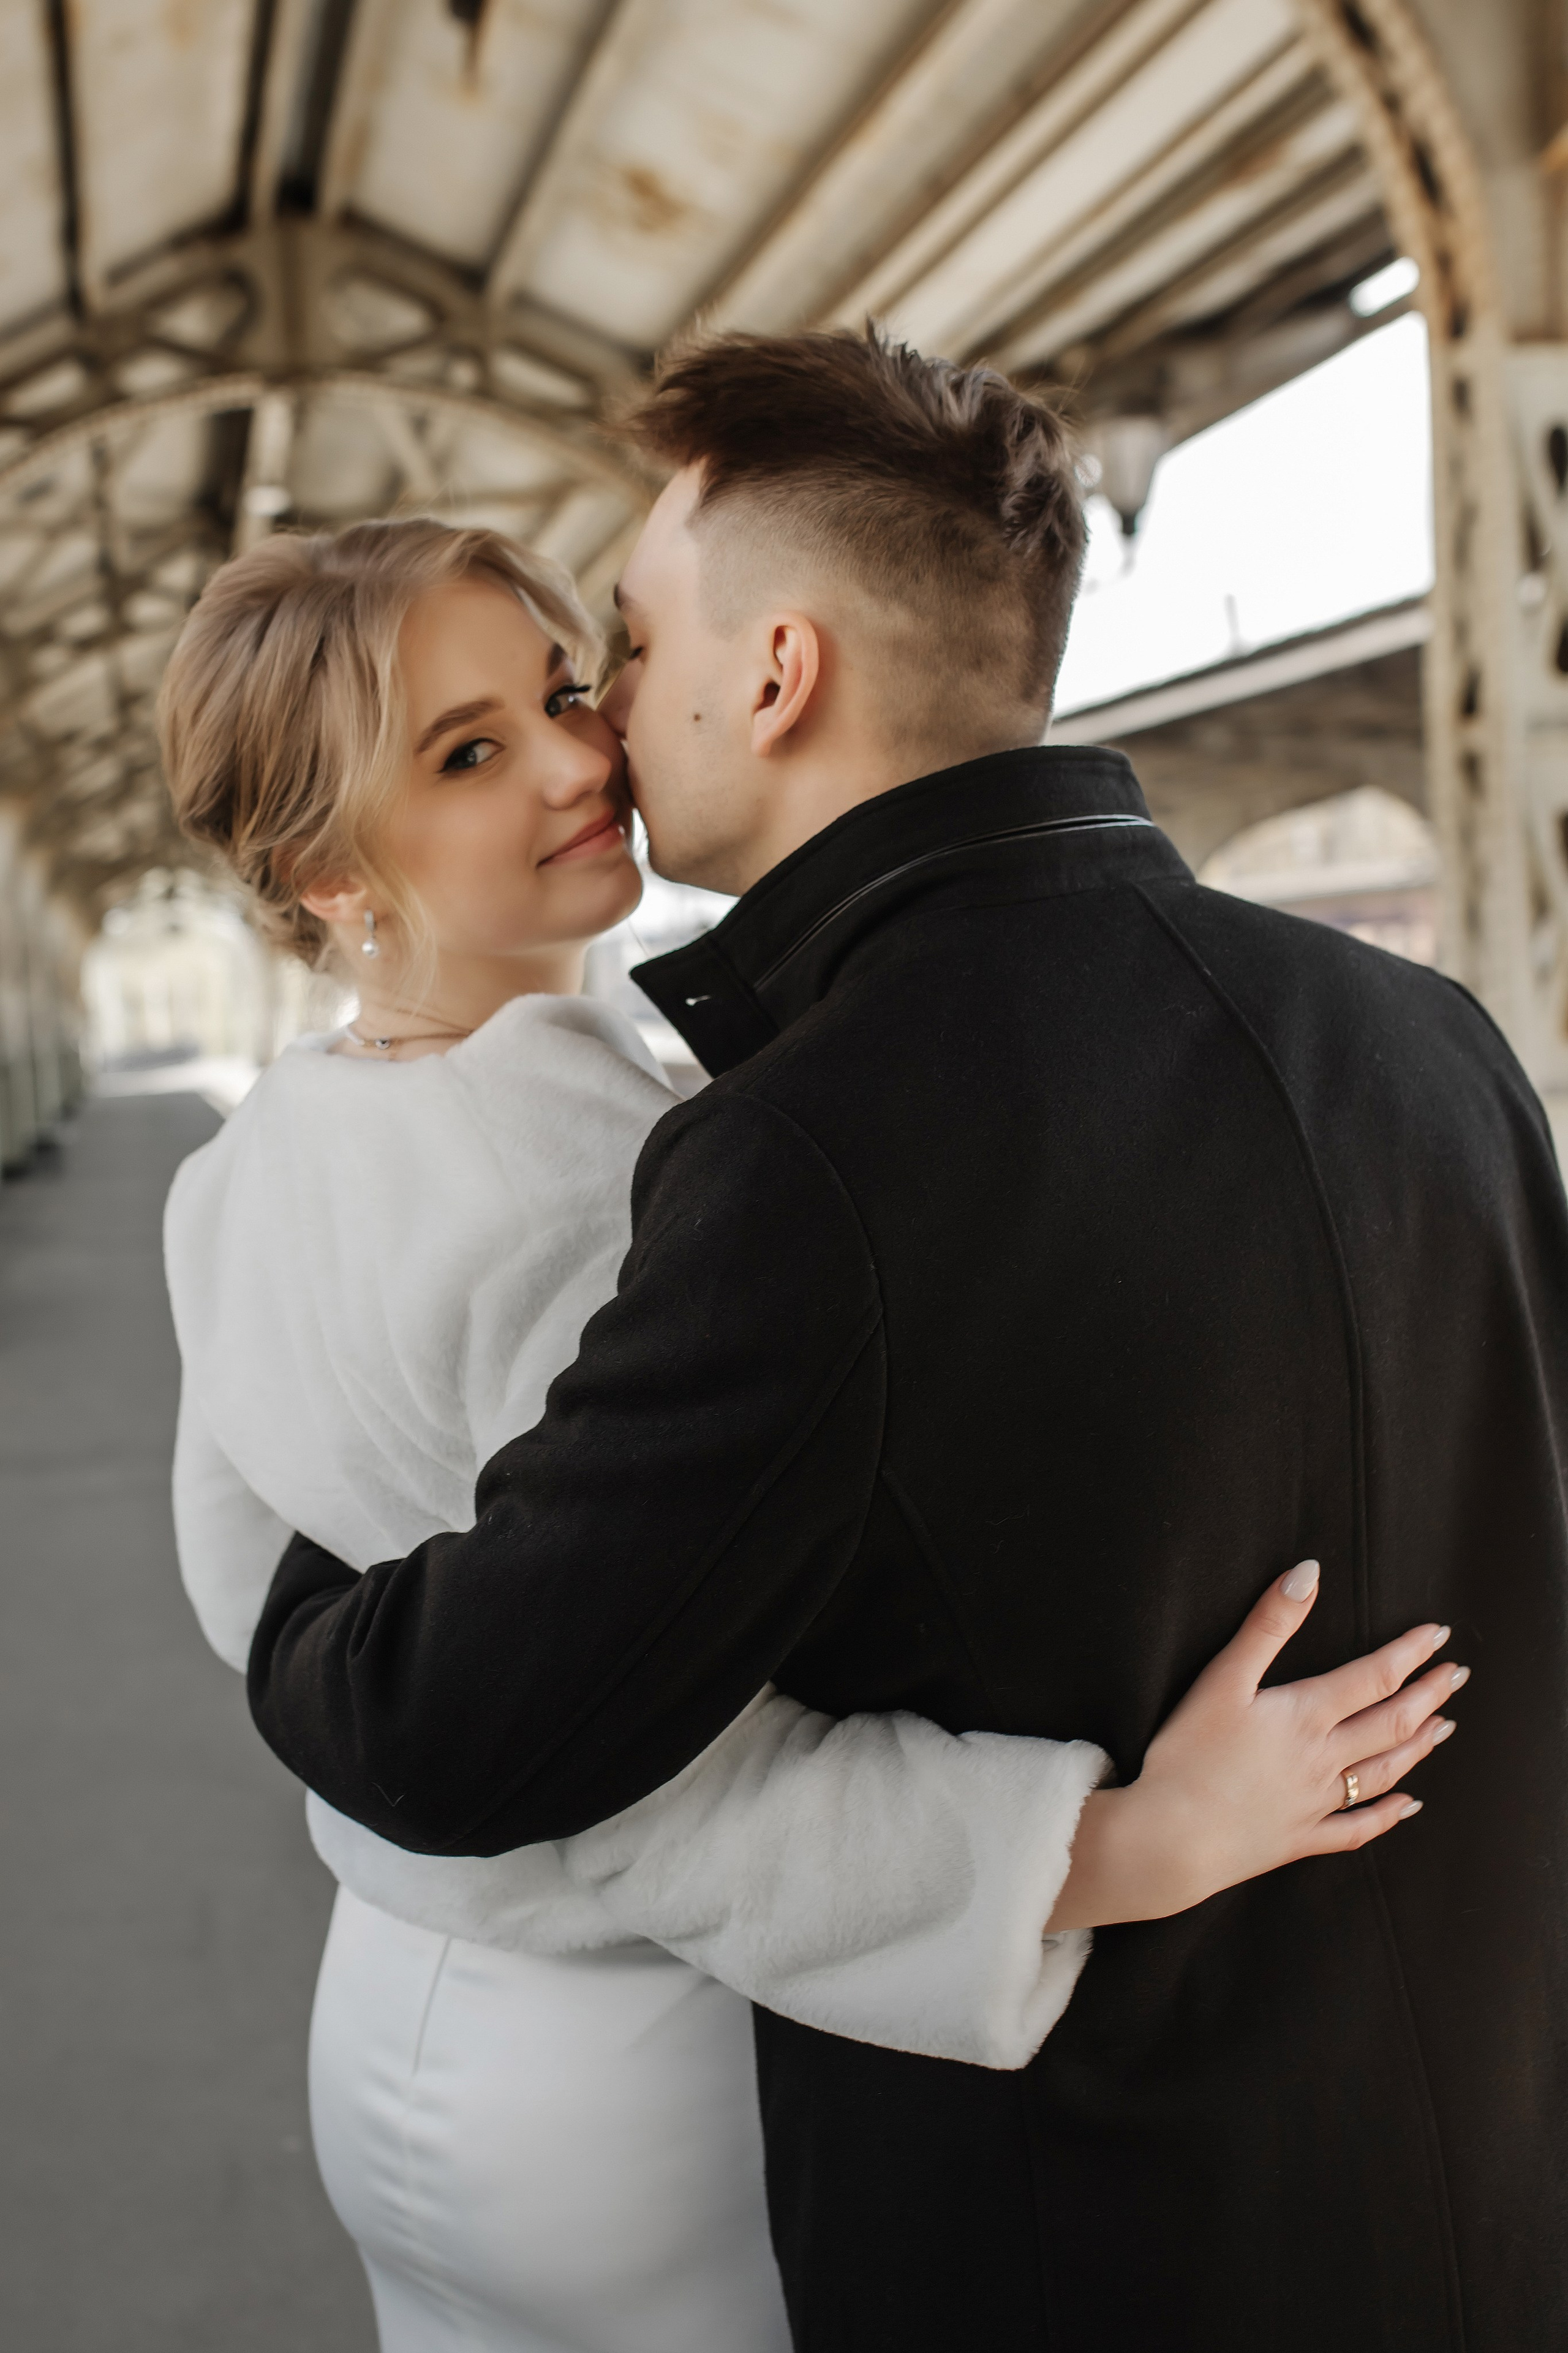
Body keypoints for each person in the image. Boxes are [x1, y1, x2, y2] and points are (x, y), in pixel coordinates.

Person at [235, 303, 1558, 2346]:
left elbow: (475, 1721)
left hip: (1073, 2237)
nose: (609, 721)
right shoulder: (1444, 1043)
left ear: (782, 672)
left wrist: (301, 1578)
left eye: (634, 647)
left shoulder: (808, 1152)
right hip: (1480, 2182)